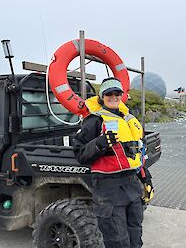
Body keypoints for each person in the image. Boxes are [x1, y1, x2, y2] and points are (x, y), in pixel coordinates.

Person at [73, 77, 153, 248]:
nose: (114, 96)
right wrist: (100, 143)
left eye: (117, 93)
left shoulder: (128, 119)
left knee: (135, 232)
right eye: (109, 93)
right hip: (108, 189)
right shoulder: (94, 121)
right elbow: (80, 154)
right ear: (102, 96)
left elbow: (138, 155)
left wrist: (146, 178)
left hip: (131, 184)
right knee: (117, 239)